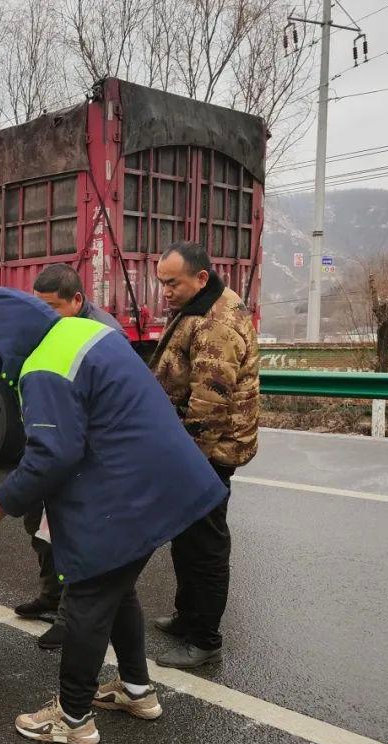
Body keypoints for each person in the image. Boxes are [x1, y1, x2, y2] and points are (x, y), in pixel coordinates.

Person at [0, 288, 227, 744]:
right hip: (165, 479)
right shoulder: (85, 332)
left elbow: (53, 453)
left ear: (3, 341)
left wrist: (2, 500)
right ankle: (136, 690)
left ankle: (72, 717)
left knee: (88, 595)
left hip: (130, 491)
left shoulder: (43, 366)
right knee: (117, 585)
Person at [148, 241, 260, 669]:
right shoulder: (198, 304)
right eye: (162, 283)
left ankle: (205, 639)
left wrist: (187, 463)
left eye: (172, 283)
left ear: (200, 277)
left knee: (205, 546)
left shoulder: (217, 322)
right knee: (186, 537)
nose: (166, 292)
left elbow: (209, 405)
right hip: (195, 448)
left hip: (208, 453)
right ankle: (187, 616)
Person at [17, 263, 124, 651]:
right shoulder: (48, 326)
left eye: (52, 307)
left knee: (71, 534)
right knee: (39, 526)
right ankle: (50, 595)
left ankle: (68, 619)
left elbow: (108, 405)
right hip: (49, 441)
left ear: (77, 300)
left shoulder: (104, 335)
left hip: (83, 453)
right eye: (39, 306)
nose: (44, 315)